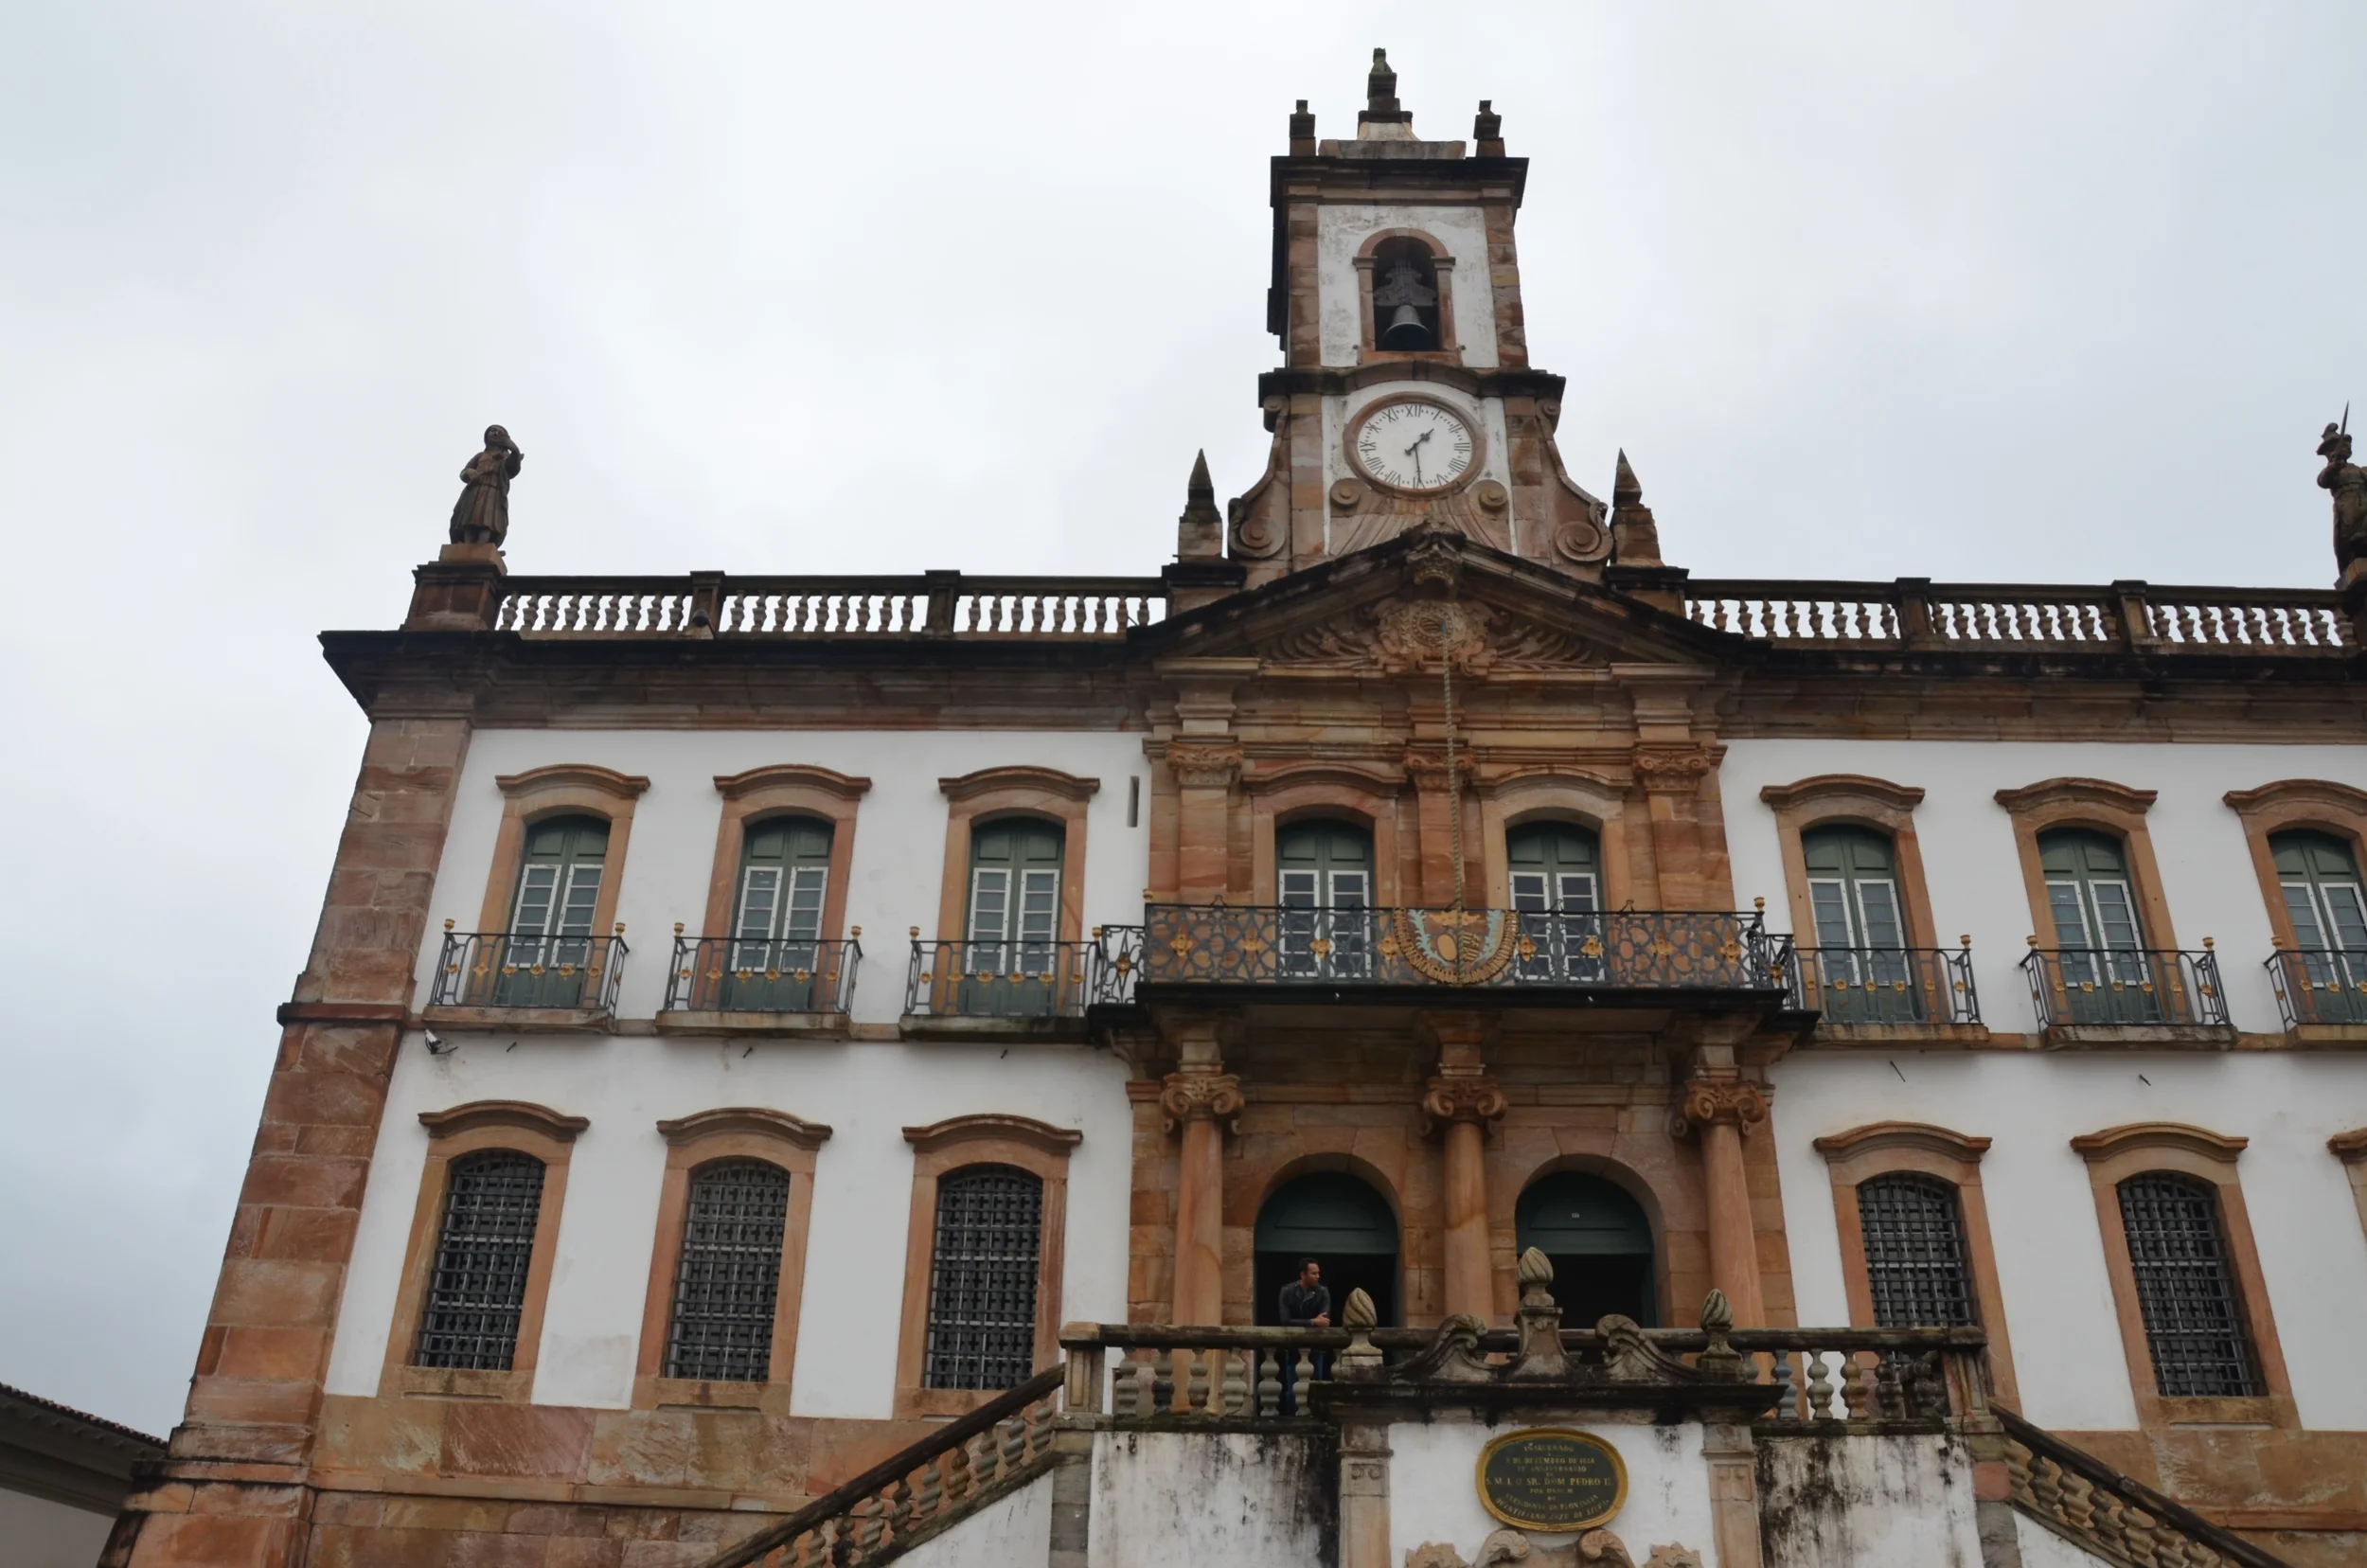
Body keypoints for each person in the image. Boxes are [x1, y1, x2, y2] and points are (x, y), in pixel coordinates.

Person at [1276, 1258, 1331, 1414]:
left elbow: (1325, 1320)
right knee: (1292, 1391)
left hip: (1316, 1347)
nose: (1317, 1276)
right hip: (1294, 1347)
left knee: (1317, 1387)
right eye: (1313, 1273)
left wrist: (1313, 1322)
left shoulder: (1322, 1292)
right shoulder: (1287, 1291)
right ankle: (1291, 1420)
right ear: (1303, 1275)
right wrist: (1313, 1322)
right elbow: (1286, 1321)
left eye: (1318, 1273)